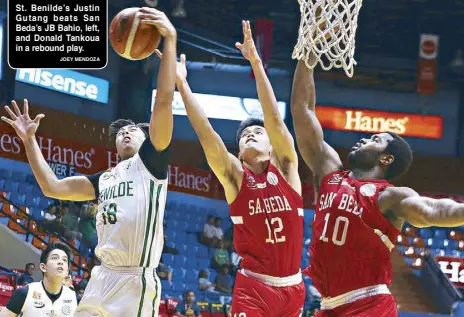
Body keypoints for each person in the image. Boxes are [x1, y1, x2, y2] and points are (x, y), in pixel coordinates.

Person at [1, 8, 177, 317]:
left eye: (133, 130)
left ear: (145, 140)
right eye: (121, 131)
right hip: (101, 276)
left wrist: (172, 38)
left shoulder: (151, 165)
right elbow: (51, 186)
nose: (126, 132)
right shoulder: (104, 179)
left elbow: (163, 100)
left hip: (135, 281)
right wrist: (29, 140)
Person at [291, 54, 464, 317]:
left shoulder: (390, 197)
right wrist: (308, 56)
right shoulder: (329, 172)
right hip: (329, 307)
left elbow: (434, 210)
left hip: (368, 305)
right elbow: (303, 111)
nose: (364, 139)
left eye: (375, 139)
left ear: (386, 158)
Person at [156, 20, 305, 316]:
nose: (250, 134)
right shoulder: (236, 178)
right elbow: (207, 134)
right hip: (254, 288)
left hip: (293, 289)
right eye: (243, 137)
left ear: (273, 145)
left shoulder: (287, 169)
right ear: (238, 153)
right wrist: (183, 85)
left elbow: (273, 116)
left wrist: (256, 62)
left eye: (257, 133)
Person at [0, 242, 77, 317]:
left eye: (64, 260)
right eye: (54, 258)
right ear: (43, 267)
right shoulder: (25, 293)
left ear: (67, 271)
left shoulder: (72, 297)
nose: (60, 262)